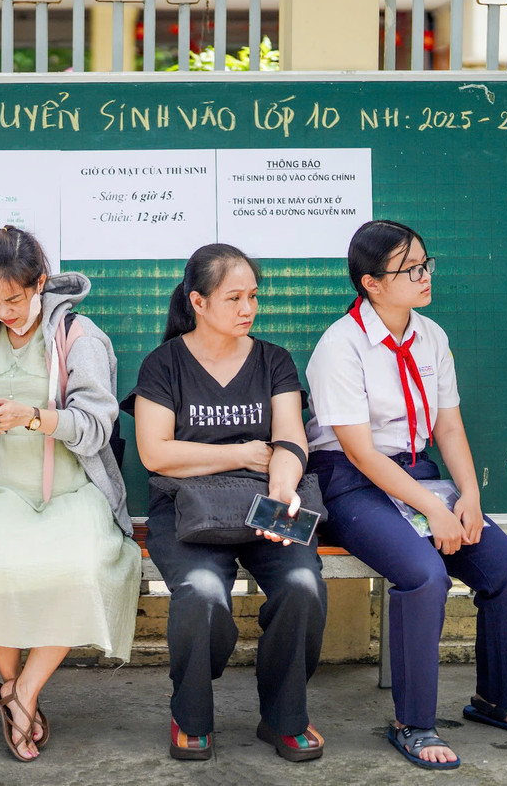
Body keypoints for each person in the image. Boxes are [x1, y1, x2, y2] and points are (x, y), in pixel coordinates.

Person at [303, 220, 507, 770]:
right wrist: (434, 508)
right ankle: (412, 722)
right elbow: (362, 453)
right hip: (351, 482)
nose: (423, 276)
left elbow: (450, 428)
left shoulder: (432, 336)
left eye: (425, 264)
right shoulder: (339, 347)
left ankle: (498, 700)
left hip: (421, 475)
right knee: (424, 575)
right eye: (408, 269)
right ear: (371, 283)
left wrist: (468, 496)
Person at [0, 225, 139, 762]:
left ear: (40, 285)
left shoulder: (80, 336)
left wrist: (34, 417)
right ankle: (10, 685)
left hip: (75, 491)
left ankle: (22, 693)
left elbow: (96, 426)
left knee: (80, 567)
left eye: (14, 298)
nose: (1, 310)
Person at [129, 243, 327, 763]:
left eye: (253, 297)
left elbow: (290, 440)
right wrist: (240, 452)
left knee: (303, 587)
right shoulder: (164, 364)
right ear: (198, 302)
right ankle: (191, 713)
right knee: (201, 596)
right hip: (188, 508)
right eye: (234, 297)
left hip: (266, 501)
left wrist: (284, 484)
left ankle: (285, 716)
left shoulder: (273, 359)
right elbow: (156, 454)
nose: (248, 308)